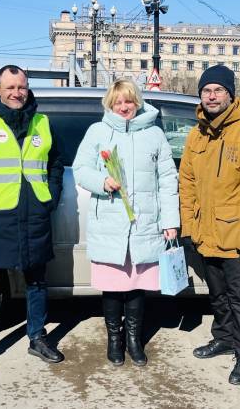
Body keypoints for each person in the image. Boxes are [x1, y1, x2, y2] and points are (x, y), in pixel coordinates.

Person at [0, 65, 65, 377]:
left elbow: (55, 164)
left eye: (21, 87)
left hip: (34, 217)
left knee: (36, 282)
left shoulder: (42, 122)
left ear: (27, 87)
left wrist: (50, 198)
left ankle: (37, 337)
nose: (16, 93)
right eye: (10, 87)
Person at [72, 78, 179, 367]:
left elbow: (167, 178)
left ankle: (134, 338)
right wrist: (101, 181)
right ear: (110, 104)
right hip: (110, 220)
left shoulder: (154, 134)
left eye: (129, 101)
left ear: (137, 102)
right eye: (118, 102)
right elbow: (80, 169)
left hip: (144, 222)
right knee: (113, 285)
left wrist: (170, 220)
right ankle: (114, 339)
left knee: (136, 285)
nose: (124, 107)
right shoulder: (98, 132)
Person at [179, 65, 240, 385]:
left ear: (230, 94)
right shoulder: (197, 134)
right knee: (218, 294)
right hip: (207, 231)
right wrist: (189, 226)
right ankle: (224, 337)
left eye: (219, 90)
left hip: (236, 235)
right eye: (207, 91)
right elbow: (187, 182)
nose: (212, 96)